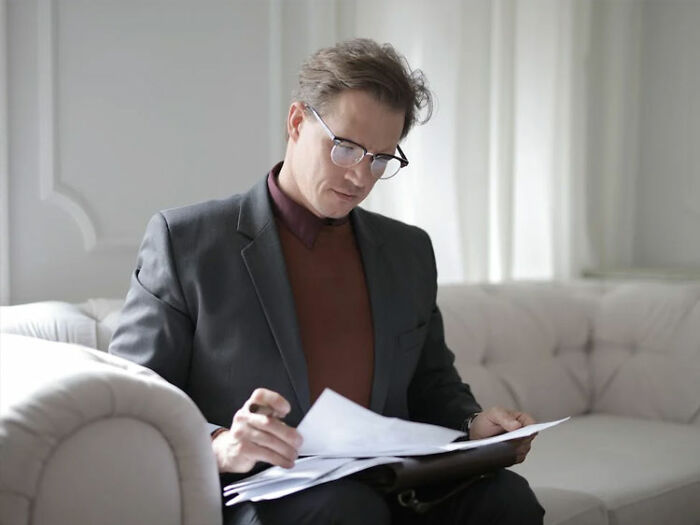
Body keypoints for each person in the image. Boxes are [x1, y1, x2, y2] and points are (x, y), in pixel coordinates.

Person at [109, 38, 544, 524]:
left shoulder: (408, 251)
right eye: (346, 148)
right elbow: (132, 401)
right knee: (346, 511)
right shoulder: (186, 242)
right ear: (297, 122)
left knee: (507, 498)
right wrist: (221, 444)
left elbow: (431, 383)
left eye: (380, 159)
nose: (360, 177)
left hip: (390, 481)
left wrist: (475, 425)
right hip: (263, 489)